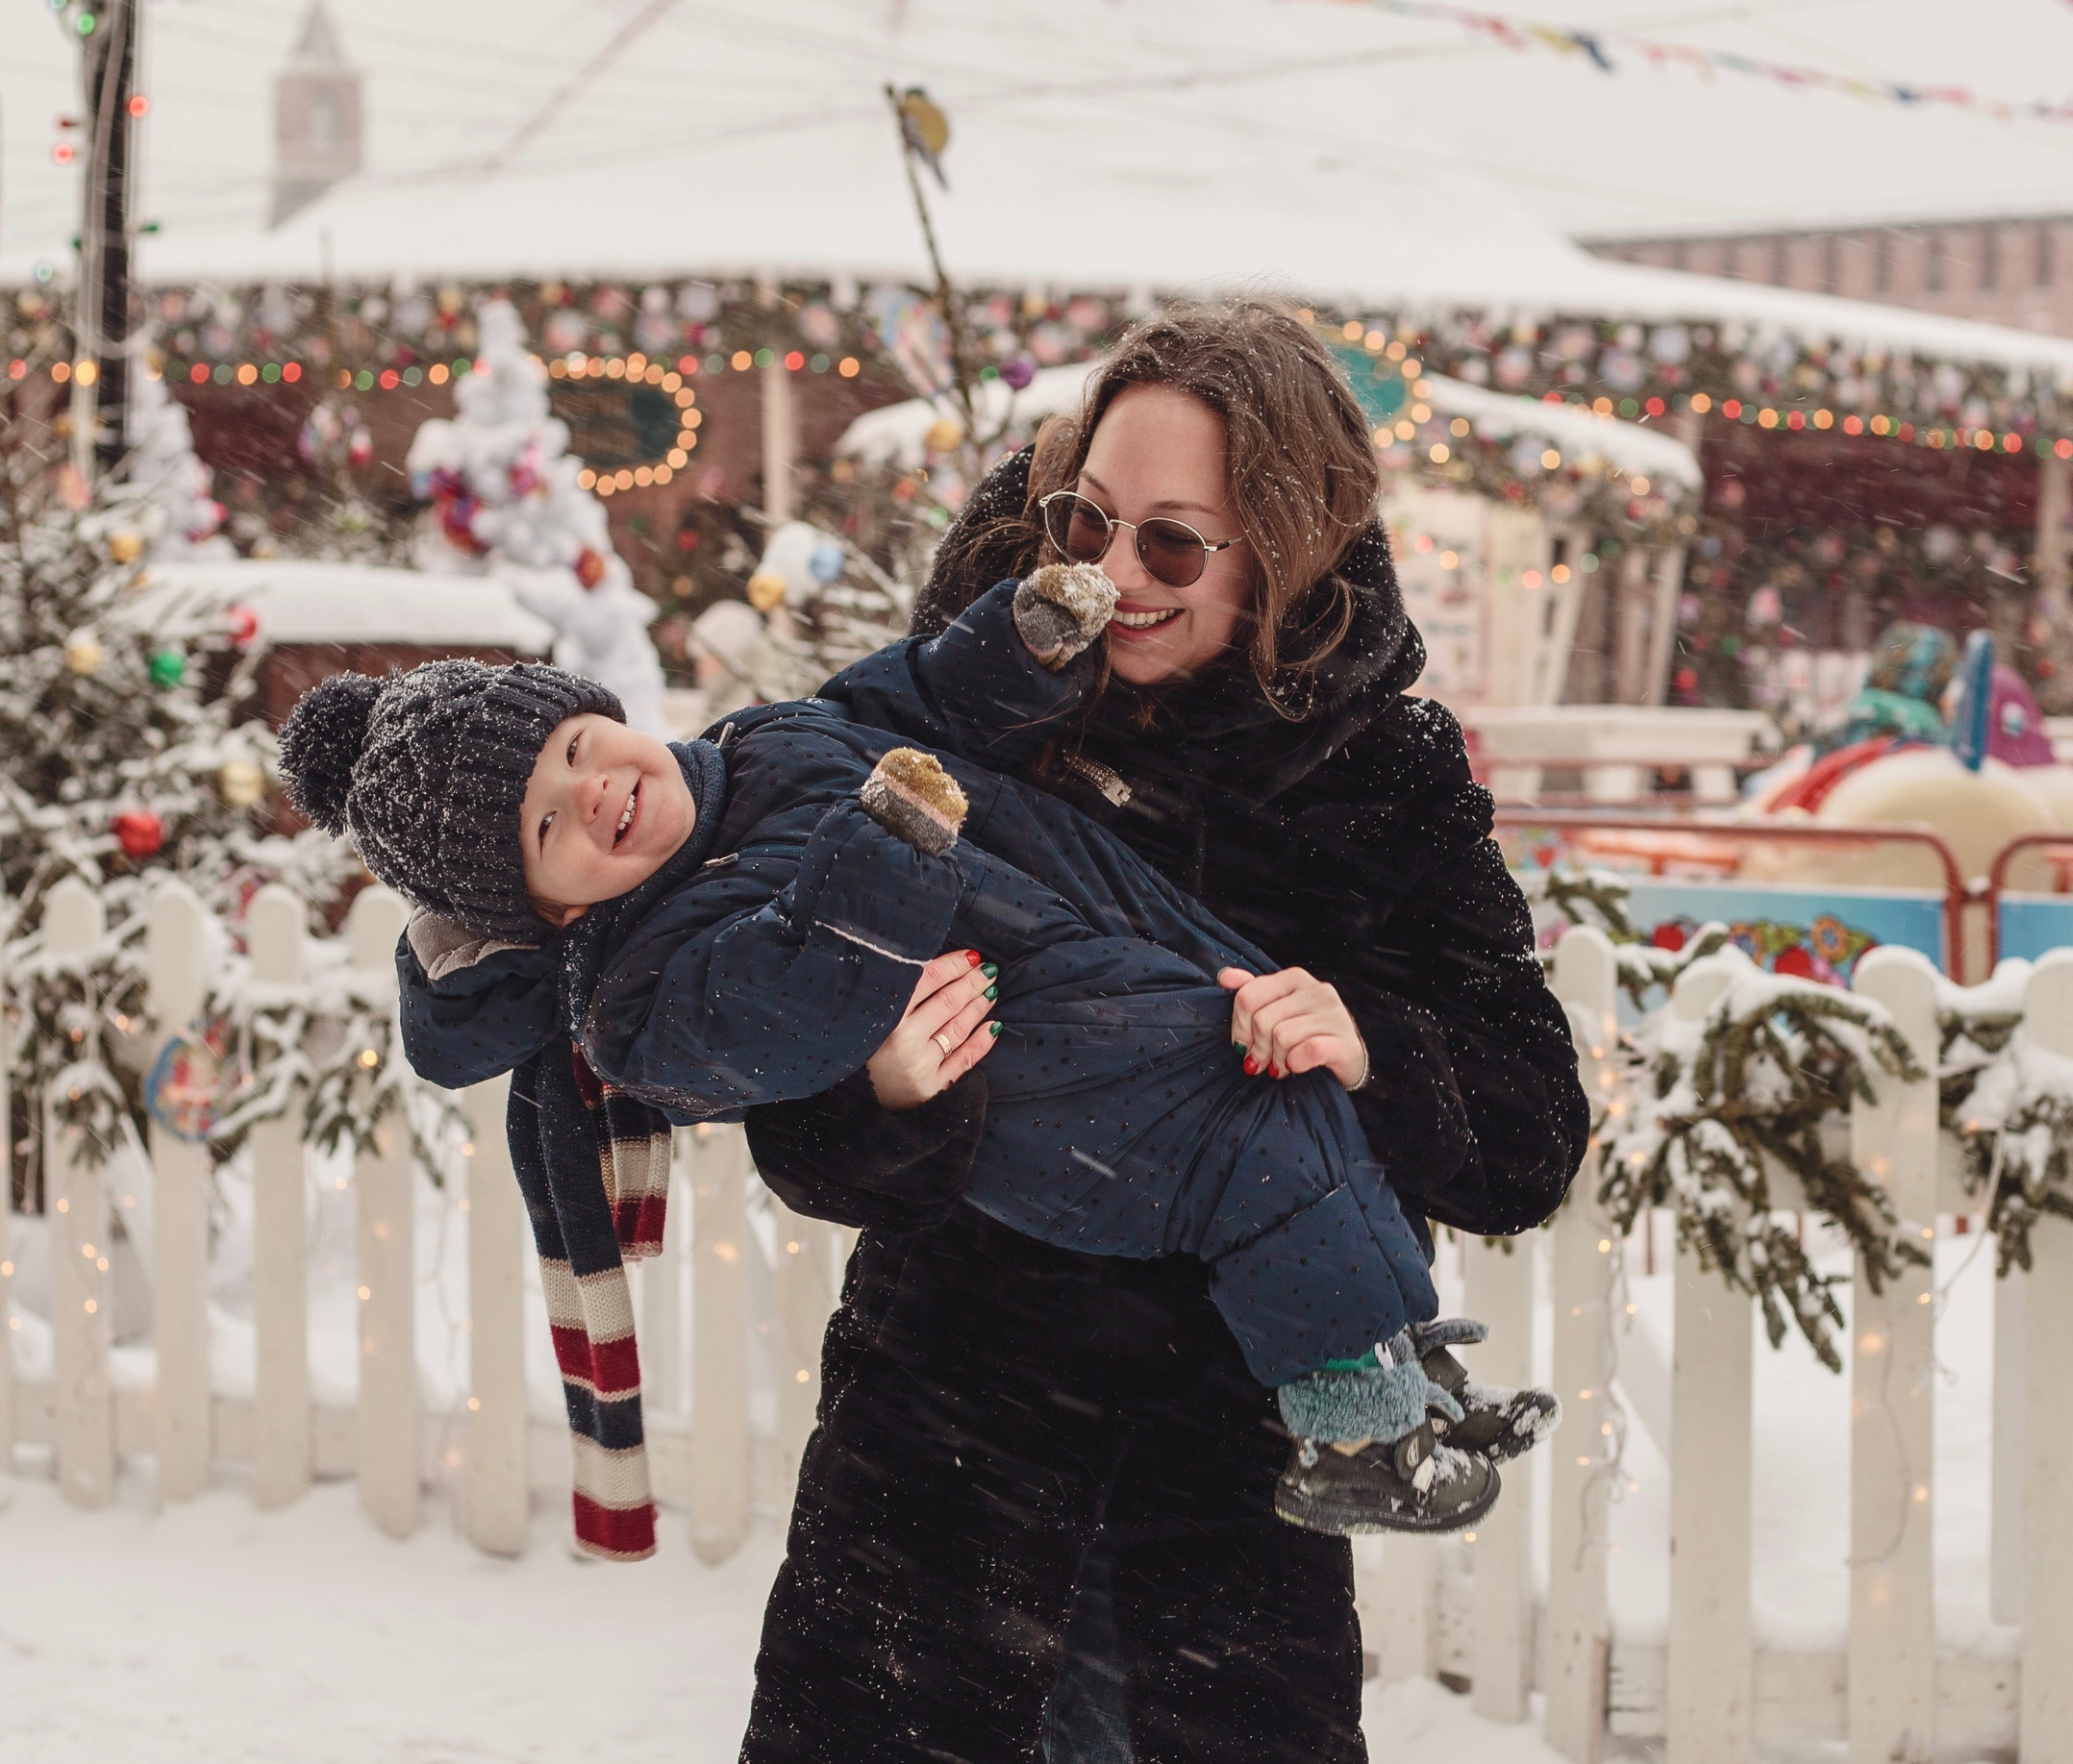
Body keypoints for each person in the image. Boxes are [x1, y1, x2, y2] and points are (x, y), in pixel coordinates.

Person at [736, 299, 1588, 1763]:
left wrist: (1364, 1040)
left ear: (1285, 544)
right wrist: (886, 1083)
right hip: (935, 1493)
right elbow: (800, 1131)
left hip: (1217, 1536)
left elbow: (1526, 1136)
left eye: (1174, 544)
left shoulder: (1380, 774)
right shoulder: (962, 723)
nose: (1112, 577)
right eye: (1087, 521)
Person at [278, 558, 1536, 1545]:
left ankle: (1387, 1371)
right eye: (547, 827)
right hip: (1045, 1087)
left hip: (1110, 940)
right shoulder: (639, 995)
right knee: (1259, 1151)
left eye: (568, 750)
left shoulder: (769, 739)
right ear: (546, 908)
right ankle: (1358, 1442)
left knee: (1298, 1106)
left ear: (597, 710)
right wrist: (883, 851)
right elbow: (789, 1002)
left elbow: (924, 694)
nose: (592, 791)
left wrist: (1028, 636)